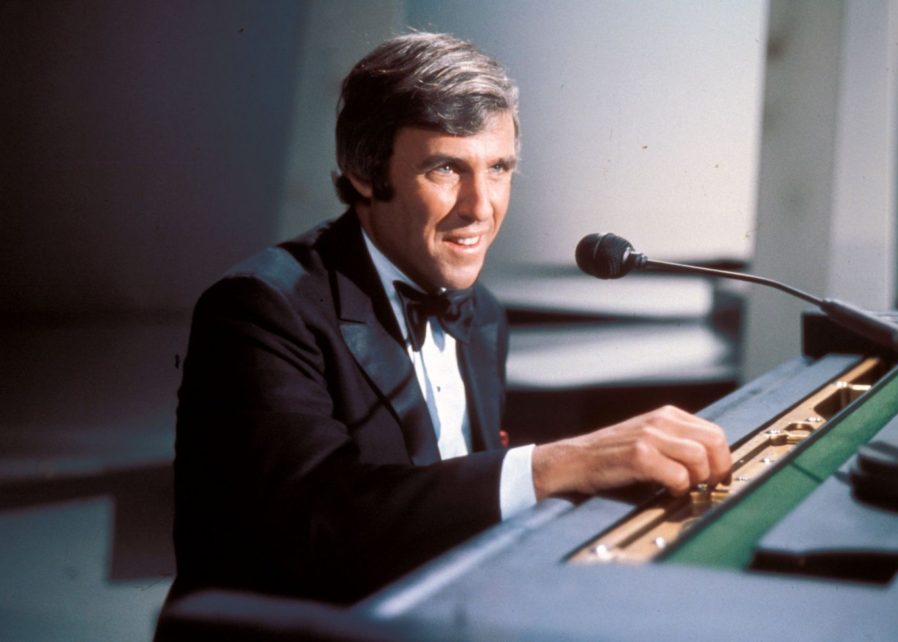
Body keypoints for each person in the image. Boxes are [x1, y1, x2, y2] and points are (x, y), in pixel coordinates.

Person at [170, 31, 730, 605]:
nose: (481, 206)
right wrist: (554, 466)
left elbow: (463, 516)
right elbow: (313, 528)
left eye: (499, 167)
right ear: (364, 172)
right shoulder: (261, 308)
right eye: (445, 169)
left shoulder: (482, 312)